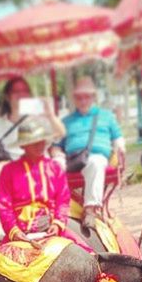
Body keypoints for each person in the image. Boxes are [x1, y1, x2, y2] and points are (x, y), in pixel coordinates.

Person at [0, 77, 65, 243]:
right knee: (0, 168)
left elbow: (59, 134)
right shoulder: (0, 124)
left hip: (42, 165)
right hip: (12, 166)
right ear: (7, 96)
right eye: (16, 91)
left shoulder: (37, 118)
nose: (21, 95)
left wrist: (49, 114)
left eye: (24, 91)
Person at [0, 117, 92, 253]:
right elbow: (4, 206)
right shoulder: (8, 171)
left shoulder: (55, 168)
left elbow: (63, 201)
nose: (39, 145)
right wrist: (14, 231)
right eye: (33, 141)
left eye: (42, 140)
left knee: (87, 255)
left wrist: (57, 224)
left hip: (50, 227)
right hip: (20, 231)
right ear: (23, 145)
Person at [56, 76, 125, 230]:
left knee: (95, 162)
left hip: (96, 157)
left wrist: (120, 149)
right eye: (79, 97)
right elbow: (56, 145)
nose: (83, 100)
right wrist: (57, 155)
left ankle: (90, 209)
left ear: (93, 97)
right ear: (74, 98)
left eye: (86, 96)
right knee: (53, 165)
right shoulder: (66, 121)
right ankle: (53, 210)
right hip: (71, 159)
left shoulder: (106, 116)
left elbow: (117, 137)